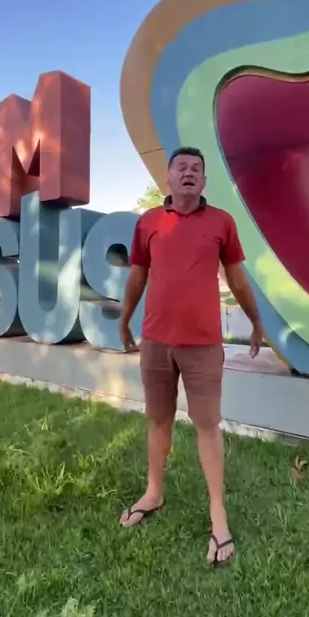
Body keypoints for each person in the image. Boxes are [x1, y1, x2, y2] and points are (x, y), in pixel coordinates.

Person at [119, 147, 264, 564]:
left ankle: (218, 515)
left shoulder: (222, 222)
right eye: (181, 167)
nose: (189, 172)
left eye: (197, 169)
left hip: (203, 344)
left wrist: (256, 321)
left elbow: (237, 278)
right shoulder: (148, 223)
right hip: (156, 342)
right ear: (168, 178)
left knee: (207, 425)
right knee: (158, 420)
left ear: (203, 181)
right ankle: (154, 492)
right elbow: (137, 277)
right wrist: (125, 320)